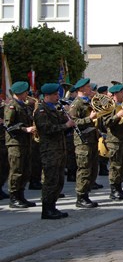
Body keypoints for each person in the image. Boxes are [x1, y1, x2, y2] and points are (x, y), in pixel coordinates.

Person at [34, 83, 76, 219]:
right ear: (47, 96)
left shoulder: (56, 109)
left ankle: (53, 206)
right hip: (50, 150)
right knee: (50, 180)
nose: (58, 96)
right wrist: (65, 125)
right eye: (55, 94)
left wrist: (69, 121)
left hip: (60, 149)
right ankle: (47, 209)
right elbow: (47, 129)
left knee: (59, 180)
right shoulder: (41, 111)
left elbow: (64, 129)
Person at [4, 81, 37, 209]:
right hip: (15, 143)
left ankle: (21, 195)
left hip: (26, 142)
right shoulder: (12, 106)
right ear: (20, 93)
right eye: (25, 92)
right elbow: (9, 126)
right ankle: (14, 197)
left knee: (25, 170)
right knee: (16, 171)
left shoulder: (24, 106)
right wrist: (25, 129)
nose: (27, 94)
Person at [69, 78, 100, 208]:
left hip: (92, 139)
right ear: (81, 89)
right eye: (88, 87)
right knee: (84, 169)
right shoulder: (76, 104)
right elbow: (74, 122)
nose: (90, 89)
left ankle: (86, 194)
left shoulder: (89, 102)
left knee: (93, 169)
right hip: (83, 141)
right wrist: (89, 118)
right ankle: (81, 197)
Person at [103, 84, 123, 200]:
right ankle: (113, 189)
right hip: (114, 140)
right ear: (116, 94)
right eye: (122, 92)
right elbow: (106, 122)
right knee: (115, 165)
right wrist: (117, 115)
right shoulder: (108, 106)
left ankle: (119, 187)